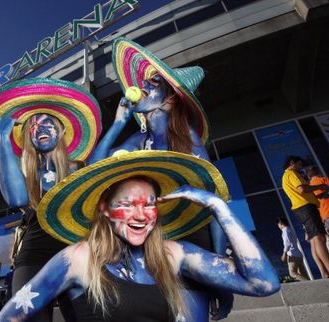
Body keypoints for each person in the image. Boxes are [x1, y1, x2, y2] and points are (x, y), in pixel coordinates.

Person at [0, 151, 280, 322]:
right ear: (105, 209)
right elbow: (9, 316)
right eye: (127, 204)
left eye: (149, 203)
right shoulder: (79, 259)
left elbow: (264, 283)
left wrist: (218, 207)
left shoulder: (173, 254)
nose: (141, 214)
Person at [89, 37, 231, 319]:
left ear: (170, 98)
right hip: (150, 245)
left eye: (152, 84)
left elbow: (215, 201)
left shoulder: (187, 140)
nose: (141, 87)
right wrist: (118, 124)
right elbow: (95, 166)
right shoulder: (138, 140)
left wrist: (220, 270)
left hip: (191, 242)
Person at [0, 78, 102, 322]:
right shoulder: (25, 174)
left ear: (62, 130)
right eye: (32, 127)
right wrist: (2, 139)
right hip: (33, 257)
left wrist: (119, 123)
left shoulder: (80, 168)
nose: (39, 129)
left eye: (47, 123)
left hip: (76, 255)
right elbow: (16, 199)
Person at [281, 156, 329, 278]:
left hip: (302, 208)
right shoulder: (291, 173)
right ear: (292, 163)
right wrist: (320, 187)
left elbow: (302, 192)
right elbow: (302, 189)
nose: (301, 167)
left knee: (314, 240)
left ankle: (326, 273)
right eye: (299, 164)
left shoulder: (286, 176)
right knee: (319, 238)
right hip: (306, 208)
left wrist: (318, 195)